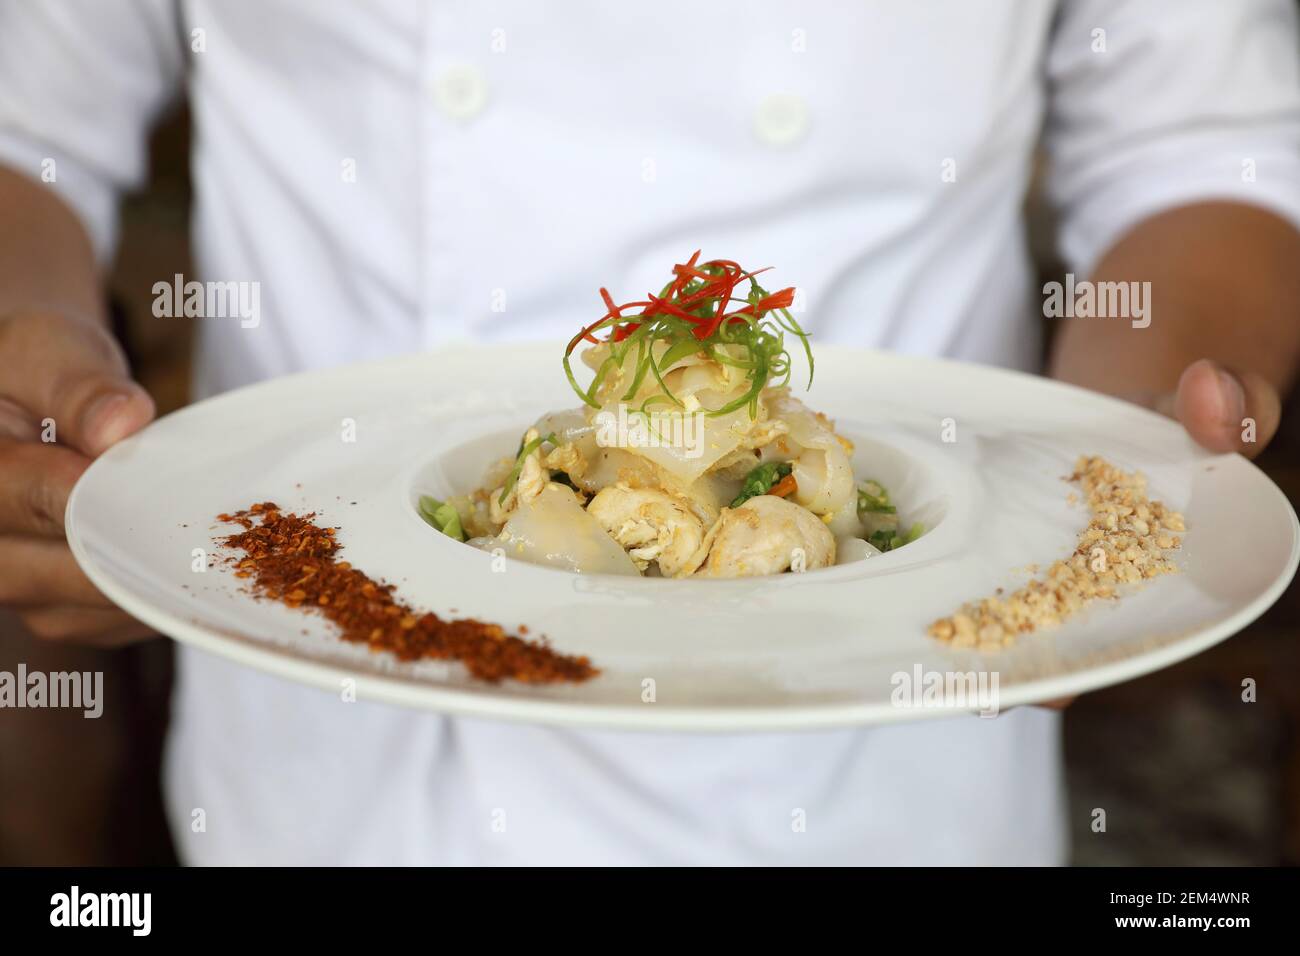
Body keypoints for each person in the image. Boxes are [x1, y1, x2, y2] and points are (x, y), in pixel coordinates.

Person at [1, 0, 1298, 865]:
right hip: (321, 763)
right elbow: (28, 122)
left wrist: (1114, 459)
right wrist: (44, 369)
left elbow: (1203, 151)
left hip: (875, 781)